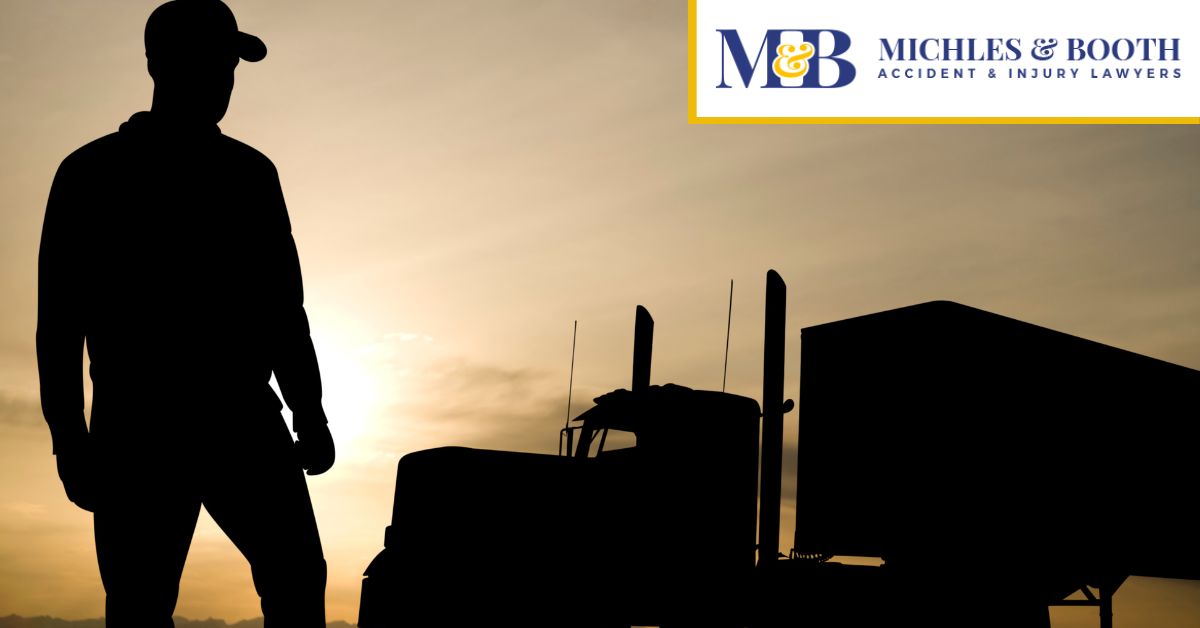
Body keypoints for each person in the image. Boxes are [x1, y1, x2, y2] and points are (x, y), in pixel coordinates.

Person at [36, 1, 334, 625]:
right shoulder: (93, 174)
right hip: (145, 426)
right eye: (212, 62)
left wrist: (308, 411)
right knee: (144, 601)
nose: (224, 79)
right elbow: (59, 324)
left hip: (228, 419)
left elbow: (282, 308)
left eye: (228, 66)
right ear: (159, 65)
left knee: (295, 575)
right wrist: (70, 441)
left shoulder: (248, 174)